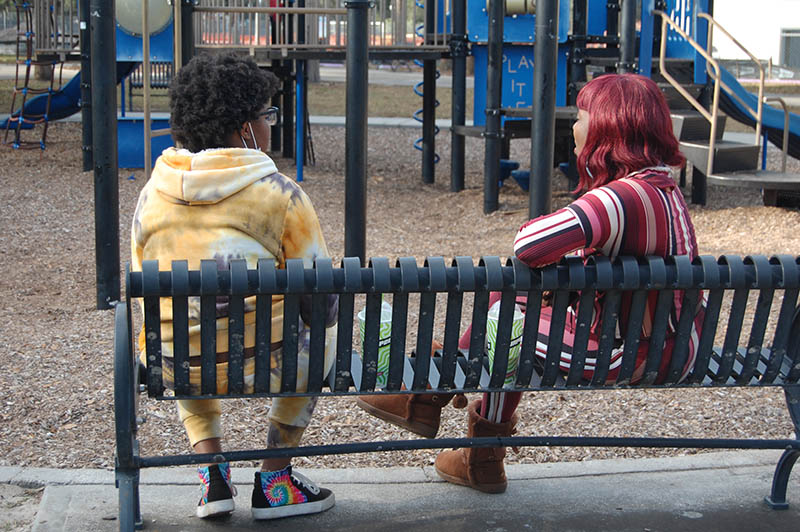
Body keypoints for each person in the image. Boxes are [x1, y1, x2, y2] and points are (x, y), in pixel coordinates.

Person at [357, 73, 705, 494]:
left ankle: (435, 407)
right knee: (514, 301)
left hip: (635, 355)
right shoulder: (662, 189)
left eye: (581, 117)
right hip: (673, 344)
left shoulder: (622, 199)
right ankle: (463, 440)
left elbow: (529, 243)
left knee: (506, 323)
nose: (574, 128)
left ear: (607, 128)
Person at [131, 52, 338, 520]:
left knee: (182, 332)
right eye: (266, 115)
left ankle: (213, 475)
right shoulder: (281, 197)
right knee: (317, 339)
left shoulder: (151, 198)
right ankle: (274, 481)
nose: (270, 125)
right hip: (268, 365)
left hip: (174, 366)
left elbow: (146, 299)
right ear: (245, 129)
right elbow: (321, 306)